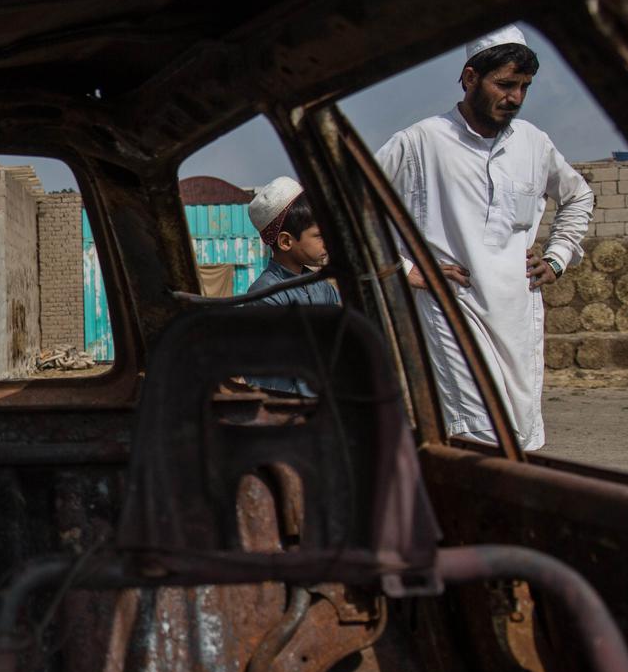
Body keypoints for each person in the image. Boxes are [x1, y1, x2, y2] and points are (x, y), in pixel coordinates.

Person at [375, 25, 593, 450]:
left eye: (524, 87)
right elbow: (347, 200)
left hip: (518, 310)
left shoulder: (533, 143)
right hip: (452, 308)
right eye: (505, 84)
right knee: (478, 434)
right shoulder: (421, 142)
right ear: (471, 77)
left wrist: (557, 257)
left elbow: (578, 195)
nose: (514, 98)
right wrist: (403, 269)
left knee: (520, 435)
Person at [241, 176, 340, 396]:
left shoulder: (323, 287)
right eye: (318, 236)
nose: (327, 243)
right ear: (286, 242)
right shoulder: (265, 296)